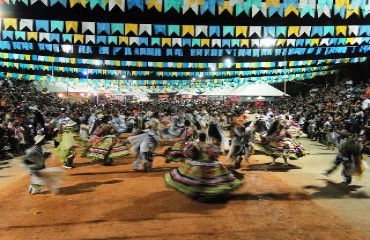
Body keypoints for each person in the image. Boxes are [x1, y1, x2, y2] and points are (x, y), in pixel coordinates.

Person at [164, 140, 244, 201]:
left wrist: (193, 157)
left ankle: (200, 192)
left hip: (197, 165)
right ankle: (211, 193)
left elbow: (187, 153)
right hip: (211, 165)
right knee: (211, 180)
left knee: (197, 180)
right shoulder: (210, 145)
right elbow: (217, 153)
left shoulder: (194, 144)